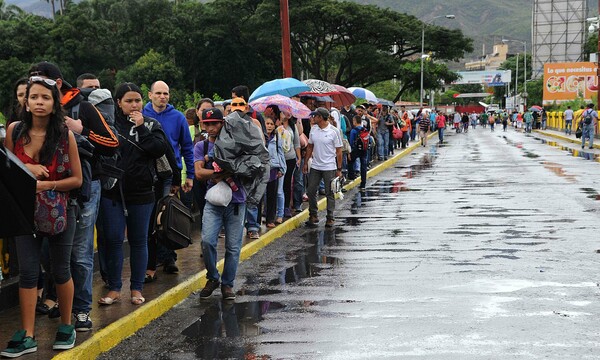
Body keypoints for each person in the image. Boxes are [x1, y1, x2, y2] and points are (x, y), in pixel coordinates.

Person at [28, 62, 119, 332]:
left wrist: (82, 131)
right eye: (33, 92)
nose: (38, 98)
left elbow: (113, 143)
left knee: (79, 253)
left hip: (82, 190)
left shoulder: (82, 106)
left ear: (57, 84)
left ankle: (80, 310)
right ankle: (58, 300)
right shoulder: (27, 116)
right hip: (42, 194)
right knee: (48, 253)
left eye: (43, 88)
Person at [2, 76, 83, 356]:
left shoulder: (64, 134)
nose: (39, 102)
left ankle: (66, 325)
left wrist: (47, 184)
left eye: (45, 98)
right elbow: (8, 174)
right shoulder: (14, 131)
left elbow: (77, 179)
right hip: (24, 212)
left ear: (54, 102)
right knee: (27, 273)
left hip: (62, 210)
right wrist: (29, 172)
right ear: (25, 101)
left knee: (60, 270)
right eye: (34, 97)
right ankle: (27, 334)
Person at [98, 83, 168, 307]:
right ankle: (114, 288)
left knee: (139, 241)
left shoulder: (151, 124)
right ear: (118, 103)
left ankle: (137, 288)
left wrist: (142, 129)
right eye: (129, 101)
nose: (134, 105)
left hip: (142, 192)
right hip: (113, 192)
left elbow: (159, 148)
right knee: (114, 240)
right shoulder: (110, 125)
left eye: (137, 100)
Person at [196, 108, 251, 300]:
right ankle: (213, 277)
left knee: (233, 247)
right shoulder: (201, 147)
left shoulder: (238, 144)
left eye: (215, 124)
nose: (211, 128)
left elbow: (249, 166)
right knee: (207, 241)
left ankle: (228, 285)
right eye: (207, 124)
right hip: (213, 203)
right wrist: (220, 174)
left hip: (236, 202)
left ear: (222, 124)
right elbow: (198, 173)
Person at [142, 80, 194, 277]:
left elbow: (187, 148)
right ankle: (151, 260)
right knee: (148, 218)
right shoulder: (142, 115)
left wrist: (189, 175)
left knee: (165, 214)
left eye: (166, 93)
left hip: (169, 174)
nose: (162, 97)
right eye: (158, 93)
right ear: (150, 94)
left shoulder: (178, 117)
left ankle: (168, 256)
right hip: (146, 173)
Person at [303, 107, 343, 228]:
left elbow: (339, 151)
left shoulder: (334, 131)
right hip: (316, 166)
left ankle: (330, 217)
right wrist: (306, 163)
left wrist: (339, 169)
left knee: (329, 192)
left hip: (329, 167)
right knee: (311, 191)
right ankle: (313, 215)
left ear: (321, 117)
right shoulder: (314, 129)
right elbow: (310, 146)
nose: (313, 118)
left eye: (315, 116)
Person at [263, 113, 287, 228]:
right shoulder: (260, 137)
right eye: (267, 123)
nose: (269, 126)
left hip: (273, 169)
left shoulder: (277, 138)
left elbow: (281, 153)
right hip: (261, 169)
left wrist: (282, 168)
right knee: (261, 196)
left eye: (271, 124)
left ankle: (270, 219)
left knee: (272, 195)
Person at [348, 115, 368, 190]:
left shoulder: (353, 130)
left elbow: (351, 141)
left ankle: (351, 176)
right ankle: (363, 183)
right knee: (363, 166)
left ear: (355, 122)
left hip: (356, 149)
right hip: (364, 149)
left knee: (350, 161)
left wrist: (350, 151)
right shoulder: (365, 129)